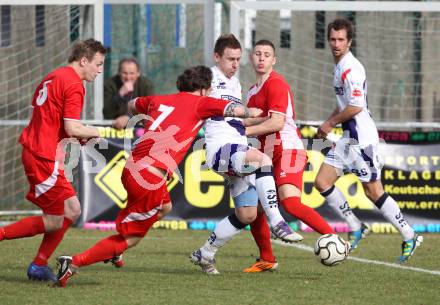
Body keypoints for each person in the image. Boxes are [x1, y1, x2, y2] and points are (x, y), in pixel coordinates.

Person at [54, 65, 262, 287]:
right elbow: (236, 110)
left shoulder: (158, 99)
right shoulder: (201, 103)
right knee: (130, 239)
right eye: (209, 88)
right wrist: (254, 112)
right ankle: (74, 262)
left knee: (165, 207)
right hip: (149, 179)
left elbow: (133, 104)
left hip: (132, 168)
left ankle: (114, 249)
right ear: (203, 89)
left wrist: (146, 119)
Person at [189, 34, 302, 274]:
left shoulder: (235, 83)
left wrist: (260, 117)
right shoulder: (207, 78)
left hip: (236, 147)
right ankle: (276, 221)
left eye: (238, 59)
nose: (235, 64)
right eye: (230, 59)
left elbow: (236, 118)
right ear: (216, 57)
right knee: (263, 160)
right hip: (220, 149)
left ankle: (205, 253)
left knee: (247, 214)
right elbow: (189, 106)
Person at [314, 18, 422, 262]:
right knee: (322, 181)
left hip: (361, 140)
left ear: (350, 42)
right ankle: (356, 226)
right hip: (347, 139)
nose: (336, 44)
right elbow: (343, 104)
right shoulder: (339, 66)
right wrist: (328, 121)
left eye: (341, 39)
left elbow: (355, 106)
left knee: (373, 191)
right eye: (332, 39)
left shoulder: (351, 68)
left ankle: (409, 234)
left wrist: (330, 124)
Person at [0, 39, 106, 281]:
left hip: (40, 151)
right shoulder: (74, 84)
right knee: (54, 220)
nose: (99, 70)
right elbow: (72, 126)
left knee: (72, 209)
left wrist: (75, 134)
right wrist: (95, 131)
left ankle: (39, 264)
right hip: (42, 156)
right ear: (83, 60)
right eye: (98, 64)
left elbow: (55, 120)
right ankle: (26, 255)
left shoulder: (52, 76)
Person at [244, 39, 337, 273]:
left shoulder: (276, 84)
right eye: (258, 53)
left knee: (291, 203)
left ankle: (334, 240)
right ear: (251, 58)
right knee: (254, 210)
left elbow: (276, 122)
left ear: (274, 60)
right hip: (267, 153)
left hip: (288, 150)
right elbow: (252, 119)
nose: (262, 58)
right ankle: (267, 258)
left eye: (267, 54)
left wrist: (243, 130)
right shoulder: (251, 91)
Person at [103, 57, 154, 129]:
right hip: (114, 128)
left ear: (138, 73)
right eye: (125, 73)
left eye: (132, 73)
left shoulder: (146, 85)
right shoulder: (110, 84)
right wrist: (120, 95)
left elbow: (151, 109)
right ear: (119, 72)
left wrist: (129, 118)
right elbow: (106, 112)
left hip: (139, 128)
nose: (128, 77)